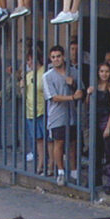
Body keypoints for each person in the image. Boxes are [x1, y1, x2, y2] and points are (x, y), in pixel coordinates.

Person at [43, 45, 83, 186]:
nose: (56, 59)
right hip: (56, 115)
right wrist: (72, 97)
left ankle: (74, 172)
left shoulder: (73, 72)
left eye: (58, 56)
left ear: (63, 57)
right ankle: (60, 172)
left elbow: (80, 92)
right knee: (58, 143)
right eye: (53, 57)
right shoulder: (47, 76)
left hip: (72, 114)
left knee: (72, 144)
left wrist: (73, 85)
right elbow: (53, 97)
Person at [87, 61, 110, 194]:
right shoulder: (95, 86)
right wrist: (89, 94)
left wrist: (108, 126)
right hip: (96, 119)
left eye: (106, 71)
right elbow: (87, 104)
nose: (104, 74)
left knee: (109, 152)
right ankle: (96, 179)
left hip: (107, 119)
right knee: (96, 150)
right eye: (101, 71)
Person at [21, 44, 46, 172]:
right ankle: (41, 163)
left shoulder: (44, 72)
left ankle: (46, 164)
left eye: (29, 59)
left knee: (47, 139)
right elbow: (24, 94)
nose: (28, 63)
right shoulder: (28, 75)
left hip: (43, 110)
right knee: (38, 139)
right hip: (31, 111)